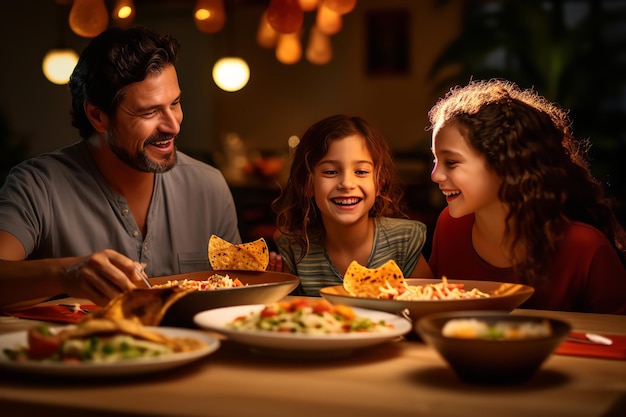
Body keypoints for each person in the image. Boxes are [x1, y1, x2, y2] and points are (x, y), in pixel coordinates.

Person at [0, 26, 241, 309]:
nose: (173, 125)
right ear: (98, 116)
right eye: (149, 112)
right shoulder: (36, 185)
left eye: (175, 103)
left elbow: (237, 294)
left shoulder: (209, 186)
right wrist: (65, 274)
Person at [427, 78, 626, 314]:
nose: (435, 175)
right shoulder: (449, 226)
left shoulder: (585, 248)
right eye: (435, 159)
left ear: (505, 165)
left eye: (451, 162)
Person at [272, 114, 432, 296]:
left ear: (379, 182)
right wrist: (276, 288)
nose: (347, 183)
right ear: (307, 184)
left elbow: (429, 306)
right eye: (331, 172)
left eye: (361, 171)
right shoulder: (296, 247)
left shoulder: (403, 241)